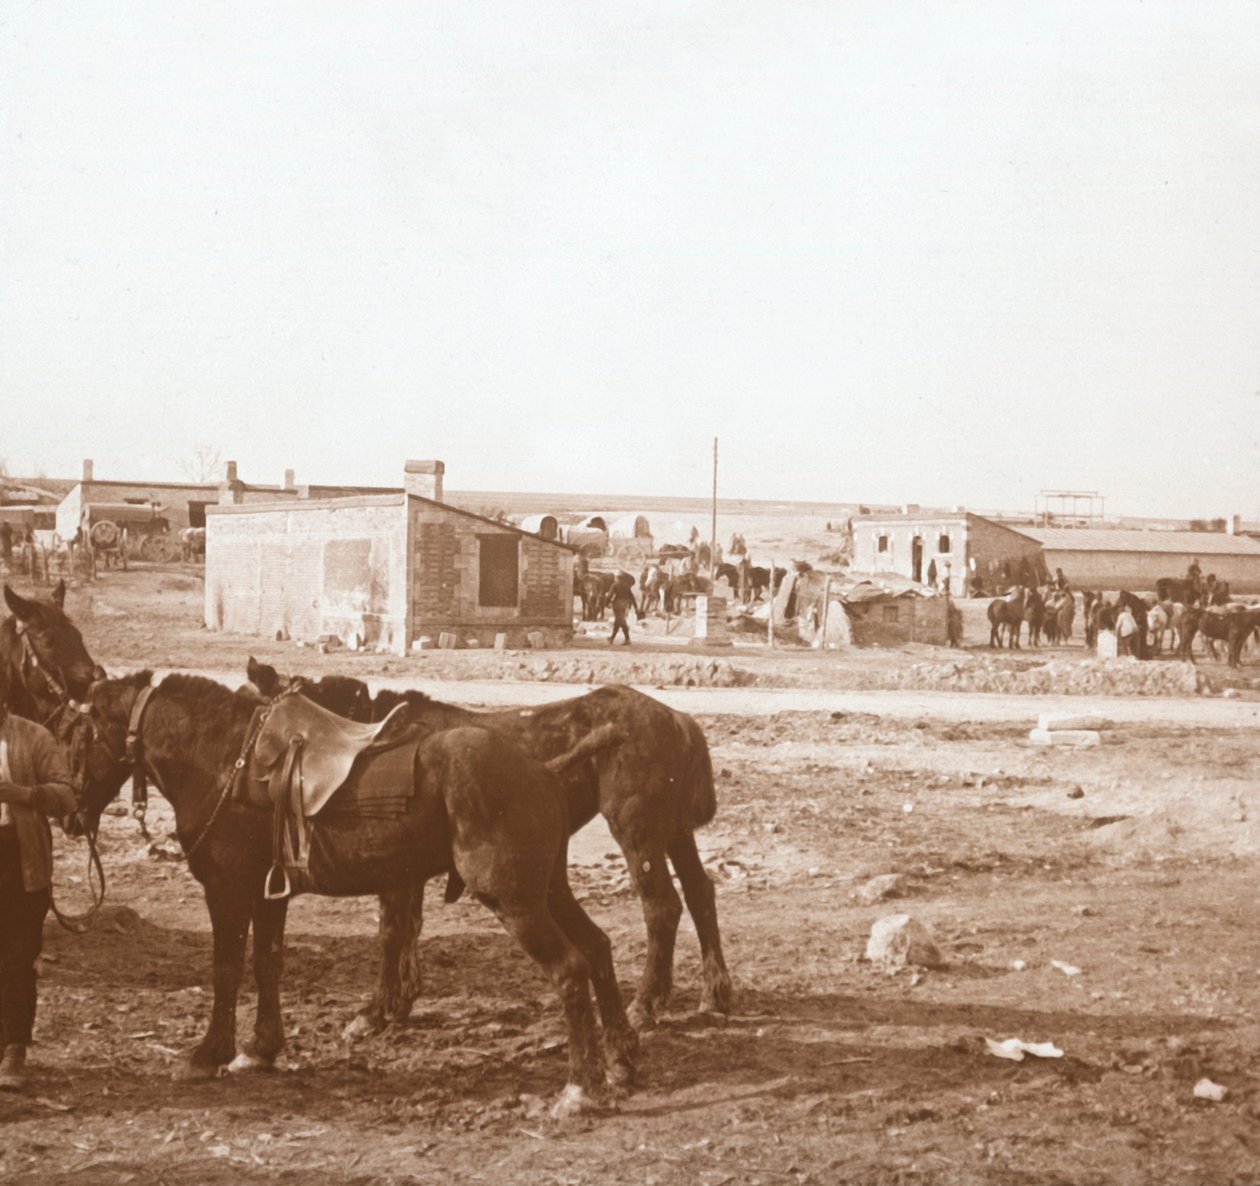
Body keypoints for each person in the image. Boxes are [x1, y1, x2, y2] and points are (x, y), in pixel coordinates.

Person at [0, 692, 76, 1091]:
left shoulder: (33, 737)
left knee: (16, 958)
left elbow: (66, 794)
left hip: (21, 861)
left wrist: (24, 795)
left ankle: (15, 1049)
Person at [609, 575, 636, 645]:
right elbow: (632, 597)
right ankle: (612, 638)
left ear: (617, 578)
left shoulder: (615, 585)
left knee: (621, 621)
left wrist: (606, 603)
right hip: (625, 604)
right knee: (618, 621)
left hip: (617, 603)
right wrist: (636, 607)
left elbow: (610, 595)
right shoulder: (627, 586)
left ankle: (627, 639)